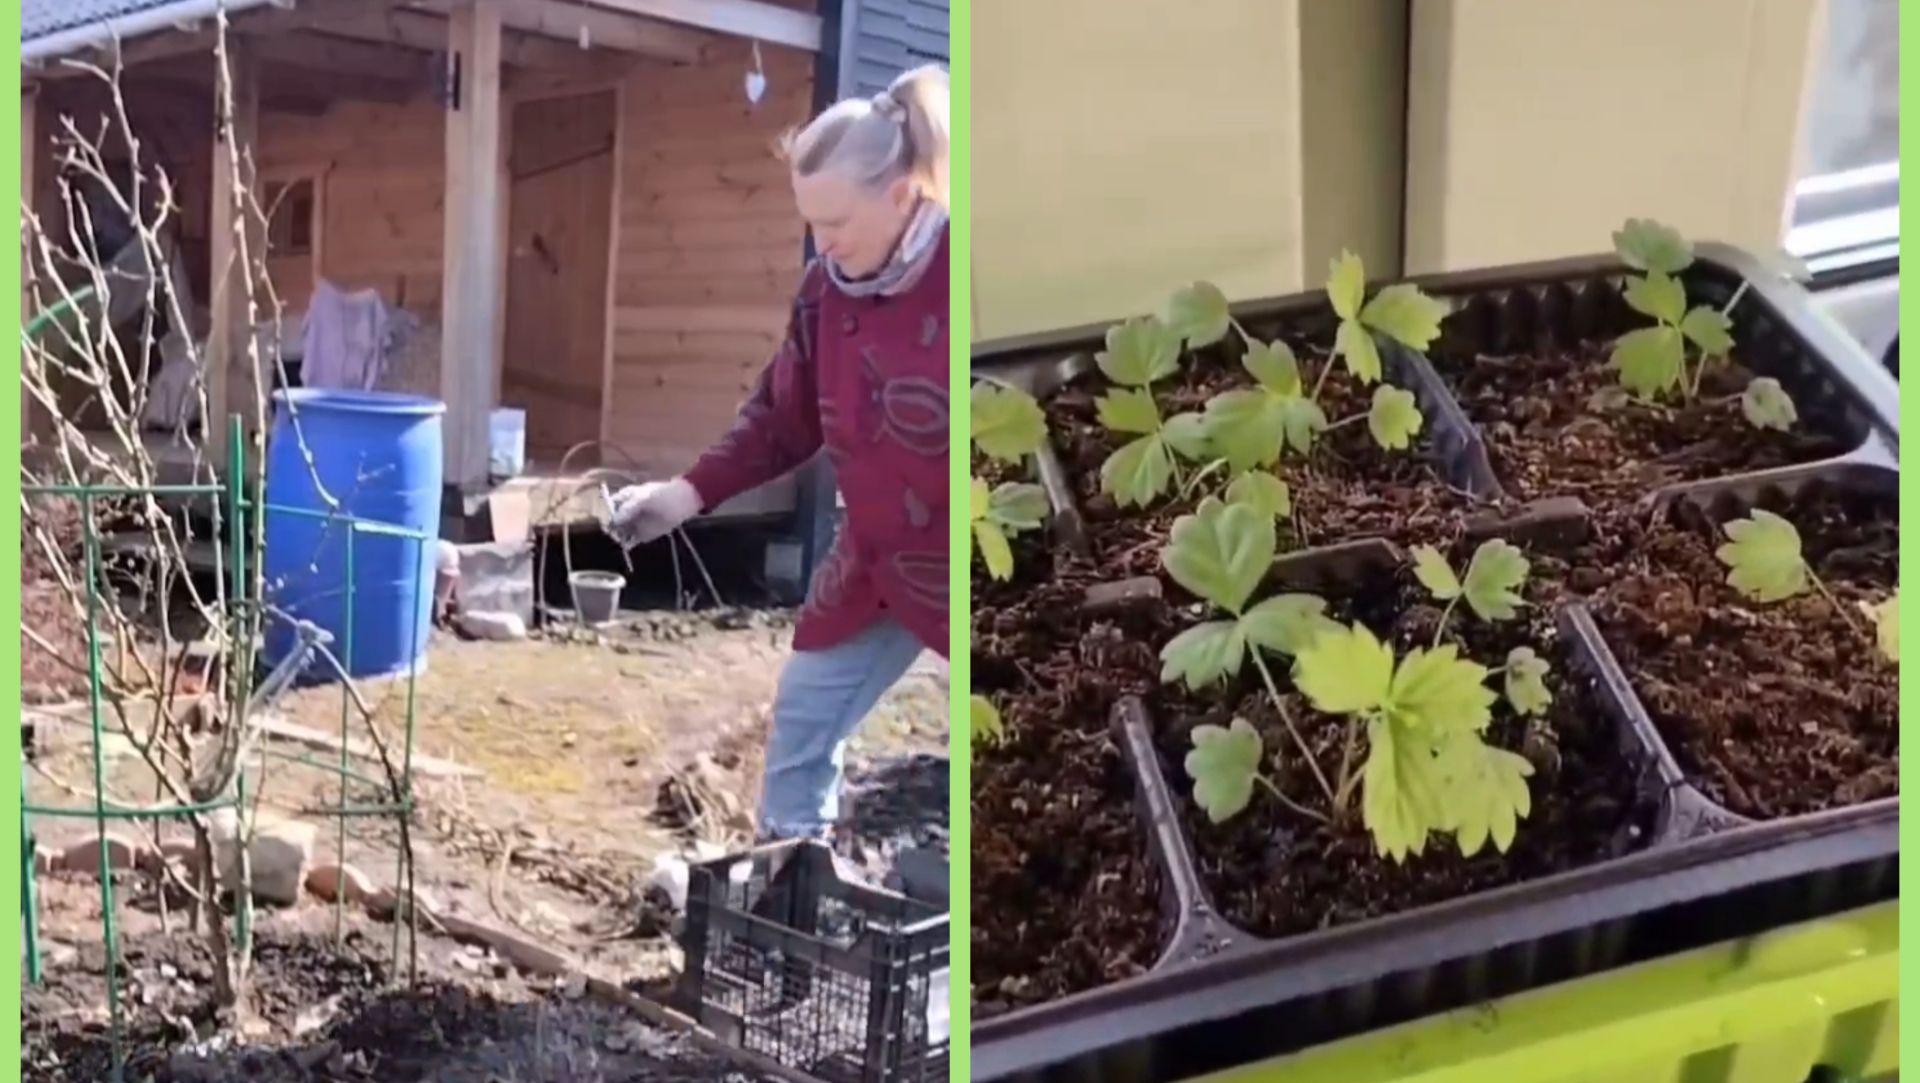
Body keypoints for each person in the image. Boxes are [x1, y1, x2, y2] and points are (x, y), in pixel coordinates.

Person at [611, 65, 950, 849]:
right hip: (874, 559)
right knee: (805, 708)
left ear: (903, 195)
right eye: (810, 223)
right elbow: (780, 418)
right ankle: (790, 873)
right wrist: (686, 494)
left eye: (836, 222)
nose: (821, 243)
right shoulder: (824, 293)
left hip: (966, 557)